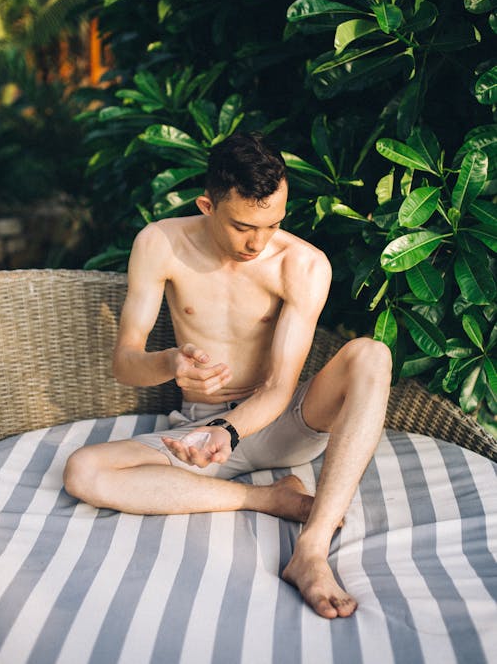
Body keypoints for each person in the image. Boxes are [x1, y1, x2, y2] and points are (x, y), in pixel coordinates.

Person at [64, 131, 392, 620]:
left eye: (272, 224)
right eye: (242, 226)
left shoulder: (302, 265)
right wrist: (168, 363)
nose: (257, 242)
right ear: (207, 205)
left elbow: (281, 387)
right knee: (82, 471)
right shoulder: (159, 244)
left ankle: (312, 551)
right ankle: (269, 499)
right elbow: (124, 362)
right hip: (198, 430)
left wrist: (230, 429)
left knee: (371, 354)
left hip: (280, 423)